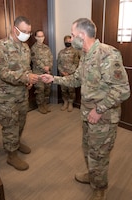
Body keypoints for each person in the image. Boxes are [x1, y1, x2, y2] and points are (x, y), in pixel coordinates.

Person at [41, 18, 130, 200]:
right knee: (88, 148)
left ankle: (100, 188)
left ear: (82, 35)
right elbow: (76, 79)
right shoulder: (85, 54)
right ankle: (92, 175)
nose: (71, 38)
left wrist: (99, 110)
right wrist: (54, 79)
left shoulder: (107, 54)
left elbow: (122, 90)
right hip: (87, 114)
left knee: (99, 154)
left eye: (72, 35)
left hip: (103, 116)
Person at [0, 16, 38, 171]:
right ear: (14, 29)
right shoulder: (0, 46)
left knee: (21, 122)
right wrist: (25, 77)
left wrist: (29, 79)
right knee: (9, 125)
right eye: (24, 31)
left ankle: (16, 144)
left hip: (22, 94)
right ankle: (11, 155)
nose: (27, 34)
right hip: (6, 97)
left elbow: (26, 68)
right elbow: (3, 73)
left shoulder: (25, 48)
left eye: (29, 32)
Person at [31, 30, 53, 114]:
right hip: (38, 73)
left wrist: (49, 67)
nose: (41, 38)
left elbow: (51, 58)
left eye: (42, 36)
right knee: (40, 90)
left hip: (47, 73)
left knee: (47, 89)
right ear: (36, 37)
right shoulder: (33, 48)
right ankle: (40, 106)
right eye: (39, 36)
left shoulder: (46, 47)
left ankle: (45, 104)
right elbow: (35, 60)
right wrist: (44, 67)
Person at [57, 35, 80, 112]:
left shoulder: (75, 52)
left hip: (71, 75)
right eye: (66, 41)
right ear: (64, 42)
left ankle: (70, 103)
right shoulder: (61, 52)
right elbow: (59, 63)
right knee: (63, 90)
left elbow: (76, 63)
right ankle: (65, 102)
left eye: (69, 41)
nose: (68, 42)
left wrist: (69, 72)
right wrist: (62, 72)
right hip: (62, 74)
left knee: (71, 90)